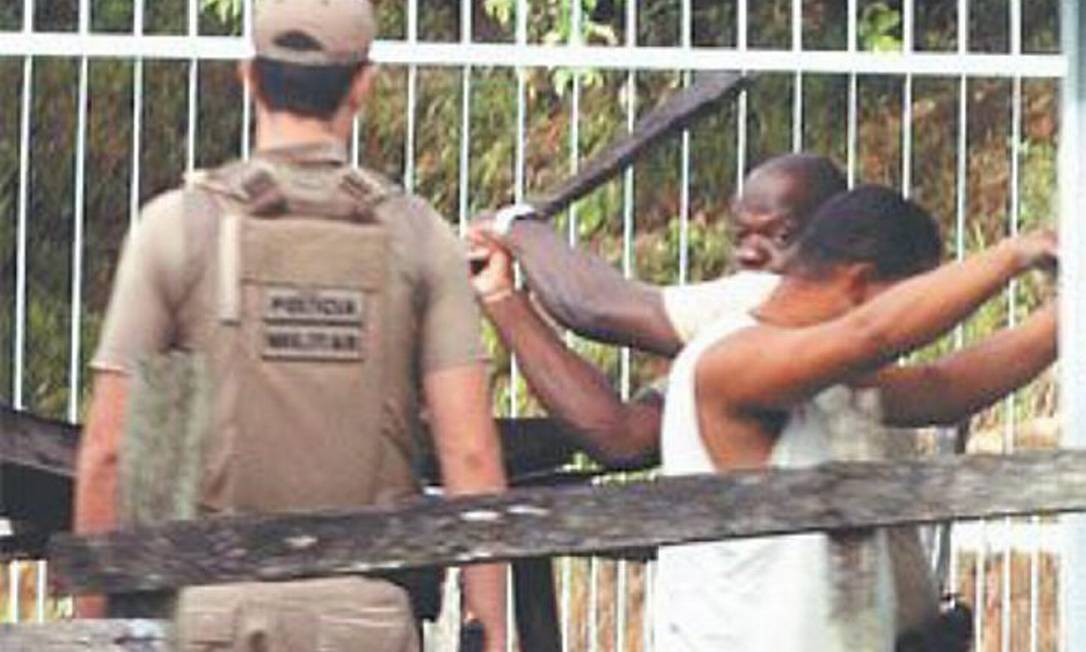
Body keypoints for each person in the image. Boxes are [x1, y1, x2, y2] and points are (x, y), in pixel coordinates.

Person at [72, 1, 509, 651]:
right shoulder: (420, 238)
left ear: (249, 76)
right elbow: (470, 455)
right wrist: (491, 628)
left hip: (211, 608)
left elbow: (108, 451)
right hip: (368, 616)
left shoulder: (176, 227)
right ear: (363, 85)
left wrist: (95, 625)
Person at [653, 186, 1057, 650]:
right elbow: (874, 333)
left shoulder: (825, 377)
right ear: (860, 283)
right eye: (909, 299)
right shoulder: (731, 360)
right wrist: (1015, 254)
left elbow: (944, 388)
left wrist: (1069, 313)